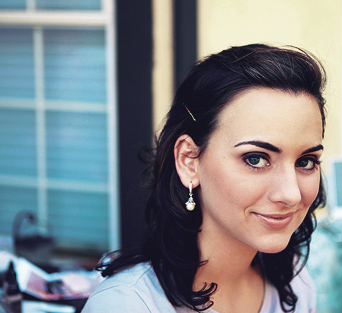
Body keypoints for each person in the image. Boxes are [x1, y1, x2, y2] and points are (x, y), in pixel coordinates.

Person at [82, 43, 327, 313]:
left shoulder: (295, 283)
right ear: (189, 160)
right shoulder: (127, 305)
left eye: (306, 162)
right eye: (255, 159)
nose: (291, 194)